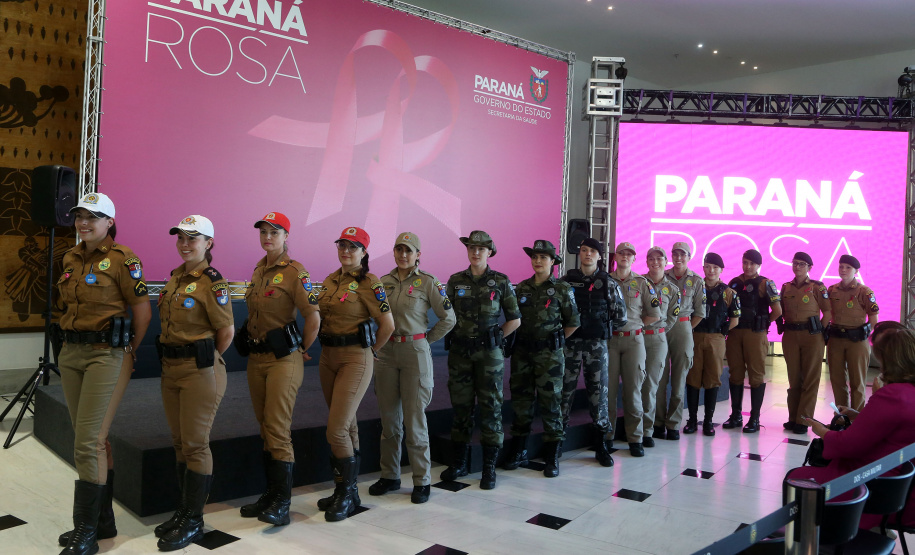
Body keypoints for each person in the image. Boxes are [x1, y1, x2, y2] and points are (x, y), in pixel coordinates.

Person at [55, 193, 151, 555]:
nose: (83, 222)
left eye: (93, 217)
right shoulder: (70, 256)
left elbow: (142, 313)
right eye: (80, 216)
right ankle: (102, 520)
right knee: (90, 438)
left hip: (105, 356)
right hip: (71, 353)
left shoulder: (123, 259)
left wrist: (127, 352)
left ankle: (86, 531)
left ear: (109, 222)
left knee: (88, 442)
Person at [154, 215, 234, 551]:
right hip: (170, 367)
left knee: (196, 444)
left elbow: (226, 331)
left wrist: (204, 359)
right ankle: (184, 511)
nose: (185, 244)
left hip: (199, 369)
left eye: (193, 239)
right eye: (181, 238)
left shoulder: (212, 282)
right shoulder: (175, 277)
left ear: (208, 243)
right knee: (179, 442)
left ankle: (194, 521)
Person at [237, 212, 320, 525]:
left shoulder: (295, 272)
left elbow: (313, 316)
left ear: (286, 236)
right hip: (257, 359)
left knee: (277, 428)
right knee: (264, 427)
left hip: (283, 360)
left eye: (274, 232)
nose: (267, 237)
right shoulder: (259, 270)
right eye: (263, 232)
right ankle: (270, 495)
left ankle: (282, 503)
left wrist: (302, 348)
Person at [790, 326, 915, 531]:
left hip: (874, 486)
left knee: (797, 476)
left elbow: (846, 445)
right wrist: (858, 416)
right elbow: (888, 428)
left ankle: (808, 539)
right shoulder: (907, 392)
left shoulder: (892, 395)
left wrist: (821, 430)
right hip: (898, 487)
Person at [315, 226, 394, 521]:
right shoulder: (329, 280)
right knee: (346, 426)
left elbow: (388, 325)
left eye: (353, 246)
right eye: (342, 245)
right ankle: (345, 490)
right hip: (328, 357)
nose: (346, 251)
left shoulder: (369, 282)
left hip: (355, 358)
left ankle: (347, 494)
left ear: (364, 252)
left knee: (335, 429)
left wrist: (372, 351)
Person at [369, 232, 455, 504]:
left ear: (418, 254)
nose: (403, 255)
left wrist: (425, 340)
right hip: (387, 352)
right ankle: (390, 476)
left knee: (415, 419)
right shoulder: (383, 282)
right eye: (399, 249)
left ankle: (422, 480)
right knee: (389, 420)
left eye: (409, 250)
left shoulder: (428, 282)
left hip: (414, 354)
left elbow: (448, 318)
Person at [440, 230, 521, 490]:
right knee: (461, 408)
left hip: (490, 356)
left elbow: (515, 319)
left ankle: (489, 468)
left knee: (491, 408)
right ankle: (460, 463)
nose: (475, 252)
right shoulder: (455, 281)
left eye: (481, 249)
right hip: (460, 354)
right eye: (472, 248)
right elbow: (446, 316)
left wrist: (497, 337)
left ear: (490, 252)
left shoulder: (500, 281)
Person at [502, 240, 579, 477]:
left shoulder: (562, 289)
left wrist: (553, 342)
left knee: (550, 404)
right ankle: (520, 450)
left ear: (553, 262)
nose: (538, 261)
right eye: (535, 257)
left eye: (543, 257)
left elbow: (573, 322)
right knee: (521, 402)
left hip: (549, 357)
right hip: (523, 354)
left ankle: (552, 455)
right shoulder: (522, 288)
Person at [561, 237, 626, 467]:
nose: (588, 254)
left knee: (598, 397)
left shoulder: (608, 283)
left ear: (600, 256)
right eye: (584, 250)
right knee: (564, 395)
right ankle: (557, 442)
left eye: (593, 251)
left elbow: (620, 317)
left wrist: (599, 329)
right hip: (570, 346)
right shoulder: (567, 281)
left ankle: (601, 445)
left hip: (596, 347)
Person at [607, 242, 662, 457]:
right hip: (610, 341)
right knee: (608, 391)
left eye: (629, 254)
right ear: (615, 256)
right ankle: (607, 436)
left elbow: (655, 314)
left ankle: (635, 438)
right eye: (621, 253)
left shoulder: (642, 283)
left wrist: (636, 325)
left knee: (634, 392)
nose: (625, 257)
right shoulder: (606, 280)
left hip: (634, 342)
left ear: (634, 259)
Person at [723, 249, 781, 434]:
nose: (748, 266)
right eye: (745, 262)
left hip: (755, 334)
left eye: (752, 264)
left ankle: (754, 418)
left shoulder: (765, 283)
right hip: (735, 334)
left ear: (758, 265)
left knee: (756, 375)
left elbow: (778, 310)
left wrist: (764, 323)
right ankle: (736, 415)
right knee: (735, 374)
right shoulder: (734, 283)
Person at [684, 253, 740, 436]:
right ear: (703, 268)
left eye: (715, 268)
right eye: (708, 267)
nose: (711, 271)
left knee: (712, 378)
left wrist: (722, 333)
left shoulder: (729, 292)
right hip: (695, 336)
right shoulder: (695, 288)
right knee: (693, 377)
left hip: (716, 338)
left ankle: (708, 421)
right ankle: (692, 420)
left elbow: (735, 319)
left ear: (721, 270)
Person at [656, 241, 706, 440]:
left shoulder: (696, 280)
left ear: (689, 257)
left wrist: (685, 329)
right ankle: (658, 422)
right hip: (660, 327)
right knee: (658, 377)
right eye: (675, 254)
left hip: (683, 327)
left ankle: (674, 423)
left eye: (682, 254)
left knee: (679, 380)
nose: (678, 258)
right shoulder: (662, 276)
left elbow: (700, 313)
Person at [777, 252, 830, 435]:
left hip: (812, 335)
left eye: (801, 264)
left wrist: (820, 332)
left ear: (809, 267)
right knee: (794, 379)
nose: (797, 267)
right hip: (791, 334)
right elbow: (781, 311)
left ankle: (804, 419)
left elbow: (828, 312)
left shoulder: (817, 287)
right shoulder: (786, 287)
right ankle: (793, 418)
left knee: (810, 378)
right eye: (795, 263)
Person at [826, 254, 879, 413]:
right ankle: (841, 416)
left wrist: (866, 334)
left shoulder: (864, 291)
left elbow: (873, 318)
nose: (843, 270)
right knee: (837, 381)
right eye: (841, 266)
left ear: (856, 271)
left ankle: (857, 418)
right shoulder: (832, 290)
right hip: (836, 339)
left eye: (848, 267)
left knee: (857, 382)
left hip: (857, 340)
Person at [640, 247, 681, 448]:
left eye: (659, 259)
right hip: (637, 339)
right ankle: (636, 428)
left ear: (666, 262)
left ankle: (648, 429)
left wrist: (661, 330)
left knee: (651, 386)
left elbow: (673, 316)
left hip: (657, 340)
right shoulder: (637, 283)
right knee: (634, 384)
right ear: (646, 262)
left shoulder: (673, 289)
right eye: (651, 259)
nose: (655, 262)